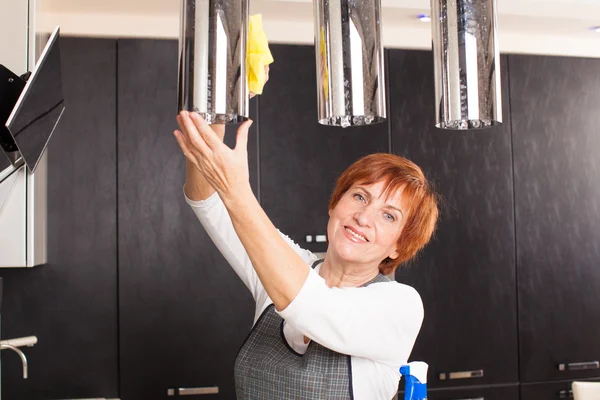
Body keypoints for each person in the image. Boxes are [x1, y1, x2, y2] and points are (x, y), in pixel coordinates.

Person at [173, 110, 439, 399]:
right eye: (360, 196)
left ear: (400, 245)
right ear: (335, 204)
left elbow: (310, 305)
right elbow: (208, 200)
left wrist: (236, 189)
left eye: (388, 216)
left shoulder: (400, 306)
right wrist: (220, 100)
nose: (364, 217)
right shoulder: (285, 263)